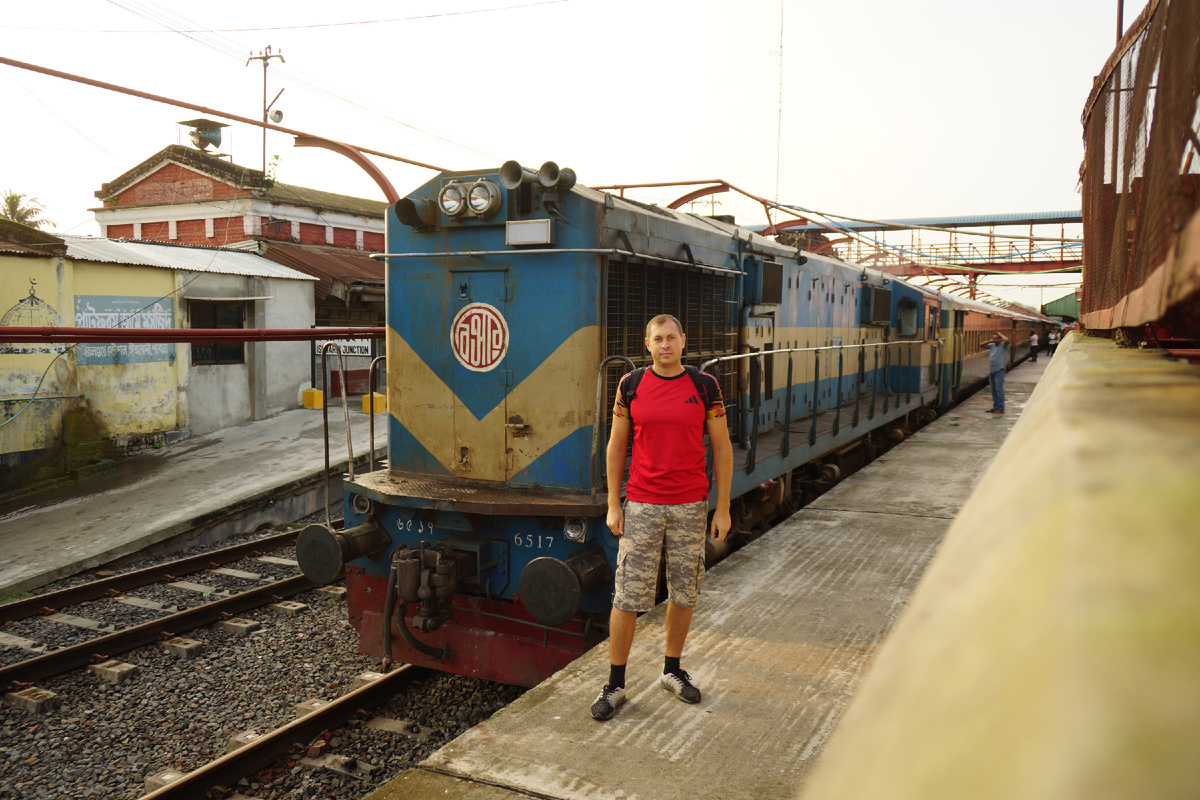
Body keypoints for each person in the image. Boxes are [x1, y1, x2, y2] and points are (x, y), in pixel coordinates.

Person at [592, 314, 733, 722]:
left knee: (684, 593)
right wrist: (613, 503)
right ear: (648, 344)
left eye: (672, 338)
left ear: (683, 341)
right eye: (658, 339)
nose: (665, 345)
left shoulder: (706, 386)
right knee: (627, 596)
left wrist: (723, 507)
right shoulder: (630, 385)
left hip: (690, 505)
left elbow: (722, 448)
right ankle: (615, 684)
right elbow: (616, 445)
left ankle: (672, 671)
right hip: (642, 504)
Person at [981, 332, 1009, 413]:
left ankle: (1001, 408)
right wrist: (990, 341)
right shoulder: (992, 345)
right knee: (993, 390)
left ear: (1000, 339)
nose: (996, 340)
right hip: (992, 370)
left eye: (997, 338)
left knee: (999, 389)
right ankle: (995, 406)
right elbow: (981, 345)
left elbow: (1007, 340)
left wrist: (1001, 334)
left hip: (999, 370)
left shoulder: (1003, 345)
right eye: (994, 338)